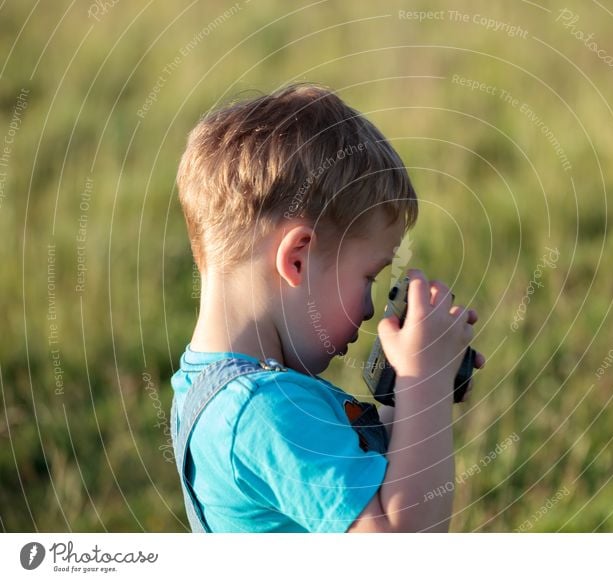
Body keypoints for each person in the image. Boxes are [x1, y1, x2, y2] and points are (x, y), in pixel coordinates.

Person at [169, 82, 484, 533]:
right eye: (369, 277)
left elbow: (377, 489)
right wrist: (426, 382)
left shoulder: (218, 392)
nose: (371, 309)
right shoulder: (264, 414)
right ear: (297, 258)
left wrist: (409, 391)